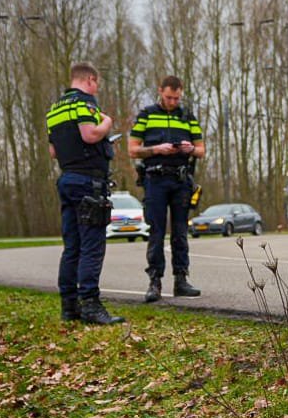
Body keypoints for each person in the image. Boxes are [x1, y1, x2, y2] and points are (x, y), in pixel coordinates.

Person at [46, 61, 125, 325]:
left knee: (72, 247)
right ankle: (90, 304)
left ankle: (69, 307)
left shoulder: (54, 109)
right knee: (92, 245)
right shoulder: (85, 104)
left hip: (67, 179)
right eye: (97, 83)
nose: (96, 88)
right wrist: (108, 123)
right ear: (90, 79)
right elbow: (90, 134)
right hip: (88, 183)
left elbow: (53, 151)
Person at [129, 75, 205, 302]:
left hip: (181, 181)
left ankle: (181, 280)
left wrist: (190, 148)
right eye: (169, 97)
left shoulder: (188, 117)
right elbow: (133, 149)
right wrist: (156, 150)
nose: (173, 102)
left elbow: (201, 150)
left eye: (177, 98)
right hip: (155, 180)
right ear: (160, 91)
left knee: (180, 233)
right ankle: (155, 282)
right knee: (157, 232)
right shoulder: (147, 115)